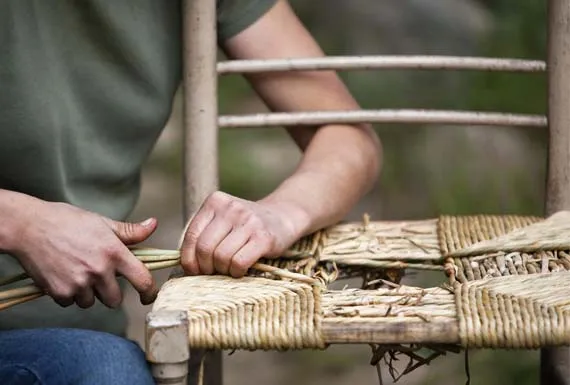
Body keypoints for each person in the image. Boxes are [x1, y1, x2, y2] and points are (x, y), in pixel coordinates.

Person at [0, 0, 382, 383]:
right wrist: (20, 223)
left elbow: (348, 137)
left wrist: (281, 213)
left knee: (106, 367)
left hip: (74, 341)